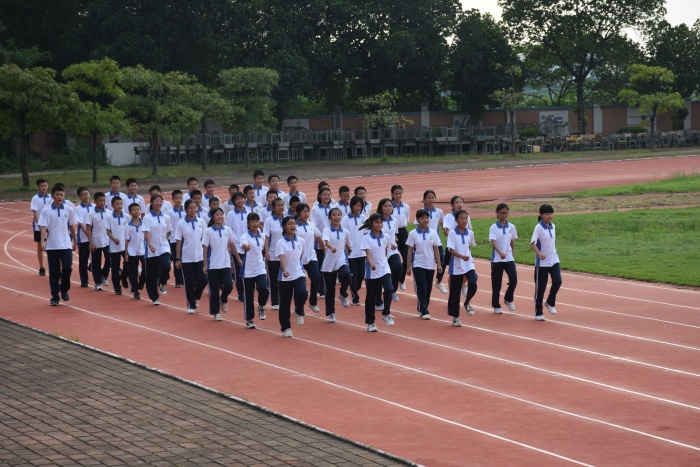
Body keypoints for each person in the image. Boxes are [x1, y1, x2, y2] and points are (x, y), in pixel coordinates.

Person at [38, 184, 77, 305]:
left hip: (66, 244)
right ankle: (55, 296)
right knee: (54, 272)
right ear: (53, 196)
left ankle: (64, 289)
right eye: (57, 195)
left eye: (61, 194)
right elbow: (43, 227)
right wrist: (42, 241)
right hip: (52, 245)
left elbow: (71, 226)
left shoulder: (68, 209)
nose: (60, 197)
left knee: (67, 268)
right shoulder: (46, 211)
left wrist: (75, 242)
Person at [202, 207, 242, 321]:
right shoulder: (208, 231)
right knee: (214, 289)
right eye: (217, 215)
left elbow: (232, 244)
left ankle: (223, 299)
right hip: (213, 264)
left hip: (225, 262)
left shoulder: (227, 230)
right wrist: (205, 264)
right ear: (213, 217)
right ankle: (216, 312)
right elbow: (205, 248)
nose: (220, 217)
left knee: (229, 285)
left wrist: (238, 258)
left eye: (221, 214)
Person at [406, 209, 442, 320]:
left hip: (430, 264)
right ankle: (425, 310)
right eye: (422, 218)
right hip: (418, 264)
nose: (425, 220)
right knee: (422, 287)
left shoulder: (433, 232)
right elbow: (410, 251)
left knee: (428, 288)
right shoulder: (413, 233)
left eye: (427, 218)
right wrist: (408, 266)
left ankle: (422, 306)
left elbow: (436, 249)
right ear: (417, 220)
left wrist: (439, 264)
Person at [361, 214, 394, 331]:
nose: (379, 225)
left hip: (384, 268)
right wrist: (371, 264)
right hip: (372, 271)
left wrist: (383, 262)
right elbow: (368, 253)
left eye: (380, 222)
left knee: (389, 289)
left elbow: (385, 251)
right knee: (371, 296)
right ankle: (370, 322)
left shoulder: (386, 236)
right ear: (371, 224)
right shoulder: (366, 238)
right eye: (376, 222)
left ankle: (386, 313)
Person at [174, 199, 208, 314]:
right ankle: (191, 305)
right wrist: (177, 259)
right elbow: (178, 242)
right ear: (186, 209)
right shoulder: (181, 224)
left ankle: (196, 296)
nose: (193, 210)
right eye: (190, 208)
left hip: (200, 256)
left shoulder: (201, 222)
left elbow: (205, 240)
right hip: (186, 258)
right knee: (189, 282)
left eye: (195, 207)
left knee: (203, 279)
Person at [276, 216, 308, 337]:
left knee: (303, 293)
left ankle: (298, 311)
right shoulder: (281, 243)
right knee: (285, 303)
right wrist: (285, 270)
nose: (293, 226)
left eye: (294, 223)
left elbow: (301, 255)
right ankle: (286, 327)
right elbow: (282, 258)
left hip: (298, 273)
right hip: (285, 276)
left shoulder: (301, 241)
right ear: (284, 227)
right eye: (290, 224)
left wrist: (297, 267)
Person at [530, 204, 562, 321]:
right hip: (542, 263)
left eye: (551, 214)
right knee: (540, 288)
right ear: (541, 215)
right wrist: (539, 254)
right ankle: (538, 312)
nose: (550, 216)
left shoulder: (553, 226)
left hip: (554, 260)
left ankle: (550, 302)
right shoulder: (538, 228)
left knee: (558, 281)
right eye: (547, 214)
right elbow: (532, 243)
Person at [447, 210, 478, 326]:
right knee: (455, 293)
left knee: (473, 282)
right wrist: (461, 256)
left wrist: (467, 257)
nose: (464, 220)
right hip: (456, 265)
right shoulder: (452, 234)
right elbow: (451, 249)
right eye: (461, 218)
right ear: (456, 220)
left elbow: (469, 246)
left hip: (468, 264)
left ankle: (467, 302)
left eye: (466, 218)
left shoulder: (470, 233)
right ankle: (455, 317)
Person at [321, 207, 352, 323]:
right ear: (330, 217)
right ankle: (331, 313)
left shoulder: (345, 232)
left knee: (347, 274)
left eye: (339, 215)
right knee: (329, 289)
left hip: (341, 259)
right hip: (329, 262)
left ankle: (343, 294)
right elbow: (326, 242)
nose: (336, 217)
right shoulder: (326, 230)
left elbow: (348, 244)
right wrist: (331, 247)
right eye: (334, 215)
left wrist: (348, 250)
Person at [239, 213, 269, 328]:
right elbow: (243, 243)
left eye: (257, 221)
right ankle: (249, 319)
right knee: (249, 295)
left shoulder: (262, 236)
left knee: (264, 289)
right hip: (248, 270)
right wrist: (245, 246)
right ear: (248, 223)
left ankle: (261, 306)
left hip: (260, 268)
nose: (255, 224)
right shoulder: (245, 236)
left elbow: (263, 249)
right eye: (252, 221)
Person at [142, 194, 173, 305]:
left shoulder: (166, 217)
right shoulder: (147, 218)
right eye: (156, 201)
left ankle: (162, 282)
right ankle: (154, 297)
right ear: (151, 202)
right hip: (151, 249)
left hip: (163, 247)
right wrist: (150, 244)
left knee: (166, 265)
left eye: (160, 201)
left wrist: (164, 241)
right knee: (151, 274)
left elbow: (168, 231)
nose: (158, 203)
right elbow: (147, 232)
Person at [490, 203, 518, 314]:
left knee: (514, 279)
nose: (504, 215)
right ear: (497, 213)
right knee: (496, 283)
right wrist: (500, 252)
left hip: (509, 258)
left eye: (506, 213)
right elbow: (493, 242)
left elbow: (512, 241)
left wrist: (512, 254)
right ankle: (496, 305)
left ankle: (508, 298)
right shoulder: (493, 227)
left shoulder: (511, 227)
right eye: (501, 213)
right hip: (497, 259)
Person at [295, 203, 323, 313]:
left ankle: (313, 302)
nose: (306, 214)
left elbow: (319, 238)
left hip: (311, 256)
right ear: (298, 213)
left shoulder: (311, 225)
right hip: (298, 259)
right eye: (304, 212)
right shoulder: (294, 226)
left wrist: (325, 251)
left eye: (308, 211)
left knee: (316, 278)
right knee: (299, 286)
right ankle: (298, 307)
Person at [418, 190, 446, 294]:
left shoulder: (439, 211)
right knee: (426, 262)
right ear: (424, 199)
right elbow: (417, 226)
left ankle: (438, 281)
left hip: (436, 241)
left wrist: (444, 231)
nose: (431, 200)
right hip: (425, 242)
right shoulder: (421, 211)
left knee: (442, 259)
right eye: (428, 198)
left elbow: (442, 222)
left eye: (432, 198)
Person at [342, 196, 367, 306]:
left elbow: (366, 232)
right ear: (351, 205)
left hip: (361, 252)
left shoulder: (363, 218)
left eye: (360, 206)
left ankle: (354, 289)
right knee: (354, 275)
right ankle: (354, 295)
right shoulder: (345, 219)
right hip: (351, 252)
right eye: (356, 205)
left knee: (361, 274)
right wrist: (347, 247)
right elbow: (343, 235)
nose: (358, 208)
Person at [85, 192, 112, 291]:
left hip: (107, 241)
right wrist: (91, 242)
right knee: (96, 262)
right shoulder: (91, 214)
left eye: (104, 200)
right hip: (96, 241)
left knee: (109, 259)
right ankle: (97, 282)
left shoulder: (109, 213)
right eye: (100, 201)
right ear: (95, 202)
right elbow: (88, 229)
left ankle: (104, 275)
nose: (102, 202)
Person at [377, 198, 402, 304]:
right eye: (386, 206)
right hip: (380, 251)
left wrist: (394, 239)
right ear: (381, 208)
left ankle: (393, 290)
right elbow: (376, 234)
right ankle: (378, 300)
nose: (388, 208)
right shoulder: (378, 220)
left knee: (398, 267)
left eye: (390, 206)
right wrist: (388, 243)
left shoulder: (394, 220)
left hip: (392, 251)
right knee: (379, 275)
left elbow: (393, 233)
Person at [225, 191, 249, 302]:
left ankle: (247, 291)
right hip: (236, 247)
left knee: (248, 270)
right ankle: (241, 293)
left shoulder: (249, 213)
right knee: (239, 271)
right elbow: (229, 231)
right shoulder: (230, 215)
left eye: (242, 198)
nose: (240, 201)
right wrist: (230, 246)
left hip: (248, 246)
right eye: (237, 199)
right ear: (234, 201)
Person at [263, 198, 286, 310]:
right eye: (278, 205)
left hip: (286, 254)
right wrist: (267, 251)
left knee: (285, 278)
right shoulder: (269, 221)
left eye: (282, 205)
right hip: (273, 254)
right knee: (274, 278)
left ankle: (284, 299)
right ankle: (275, 301)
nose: (281, 207)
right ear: (273, 207)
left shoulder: (287, 219)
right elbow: (266, 237)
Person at [311, 186, 334, 298]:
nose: (326, 197)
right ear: (320, 195)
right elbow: (313, 224)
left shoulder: (332, 208)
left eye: (328, 195)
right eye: (324, 195)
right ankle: (321, 288)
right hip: (319, 242)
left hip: (331, 241)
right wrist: (319, 236)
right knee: (320, 265)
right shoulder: (315, 209)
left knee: (329, 265)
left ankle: (327, 286)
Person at [105, 196, 129, 295]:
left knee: (129, 262)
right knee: (115, 267)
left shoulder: (126, 217)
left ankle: (123, 276)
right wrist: (114, 239)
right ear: (112, 205)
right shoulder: (109, 218)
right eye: (117, 204)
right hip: (114, 245)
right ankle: (117, 287)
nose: (119, 206)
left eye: (121, 204)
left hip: (125, 245)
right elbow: (108, 231)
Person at [124, 203, 146, 300]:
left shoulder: (144, 224)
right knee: (133, 272)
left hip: (143, 250)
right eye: (134, 210)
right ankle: (136, 291)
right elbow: (127, 240)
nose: (136, 211)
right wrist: (126, 253)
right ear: (130, 212)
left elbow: (147, 236)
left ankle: (142, 281)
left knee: (146, 268)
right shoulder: (128, 226)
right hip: (132, 251)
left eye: (138, 209)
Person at [390, 184, 409, 290]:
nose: (398, 196)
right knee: (393, 261)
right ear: (392, 194)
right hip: (392, 234)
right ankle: (392, 284)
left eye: (400, 193)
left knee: (407, 259)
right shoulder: (389, 206)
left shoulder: (406, 207)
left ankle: (401, 280)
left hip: (403, 233)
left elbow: (406, 219)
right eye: (396, 194)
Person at [74, 186, 94, 287]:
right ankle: (84, 280)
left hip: (95, 238)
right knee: (83, 260)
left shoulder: (94, 207)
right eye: (83, 194)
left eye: (87, 193)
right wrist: (89, 235)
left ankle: (97, 278)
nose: (85, 196)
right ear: (79, 196)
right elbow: (81, 224)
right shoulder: (78, 209)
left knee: (96, 259)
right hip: (83, 238)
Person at [30, 178, 50, 276]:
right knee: (40, 246)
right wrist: (40, 224)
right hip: (39, 226)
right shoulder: (35, 198)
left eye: (45, 186)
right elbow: (35, 213)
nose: (44, 188)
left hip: (50, 225)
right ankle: (41, 266)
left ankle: (55, 266)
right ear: (38, 187)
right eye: (42, 186)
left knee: (52, 245)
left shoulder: (51, 197)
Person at [169, 190, 186, 287]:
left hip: (186, 239)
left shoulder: (186, 211)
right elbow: (169, 226)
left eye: (180, 198)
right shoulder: (170, 212)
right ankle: (179, 280)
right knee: (177, 259)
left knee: (186, 259)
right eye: (176, 198)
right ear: (173, 199)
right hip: (174, 239)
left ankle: (186, 278)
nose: (178, 200)